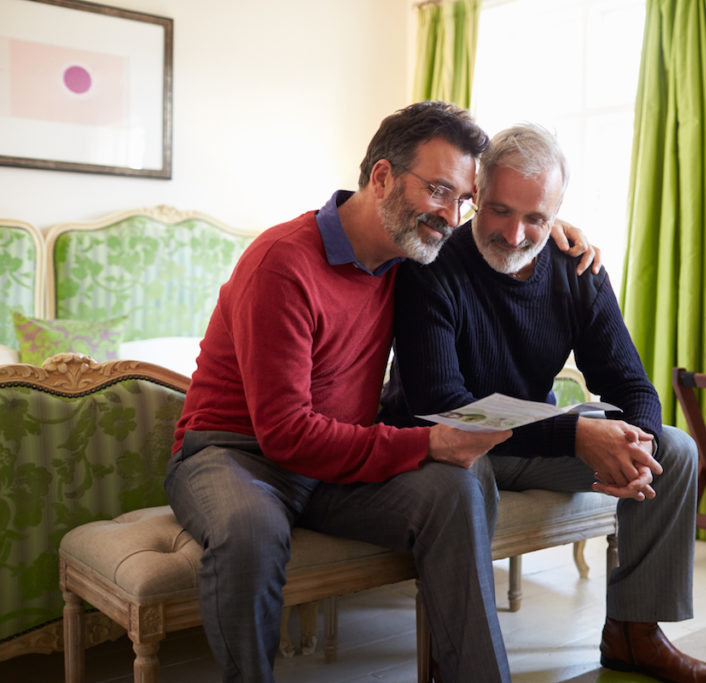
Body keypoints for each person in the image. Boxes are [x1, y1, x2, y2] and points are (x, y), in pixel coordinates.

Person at [164, 102, 596, 683]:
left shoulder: (409, 258)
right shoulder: (281, 263)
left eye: (461, 199)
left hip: (332, 463)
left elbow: (500, 236)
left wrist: (555, 231)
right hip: (233, 454)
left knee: (452, 490)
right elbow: (285, 433)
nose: (450, 216)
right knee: (251, 529)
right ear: (383, 177)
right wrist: (425, 445)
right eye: (439, 191)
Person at [379, 124, 706, 683]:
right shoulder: (432, 269)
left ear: (557, 212)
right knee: (460, 479)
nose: (516, 233)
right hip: (447, 445)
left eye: (536, 218)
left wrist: (634, 443)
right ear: (476, 195)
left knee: (677, 449)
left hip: (531, 437)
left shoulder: (576, 268)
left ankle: (634, 634)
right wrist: (574, 435)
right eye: (498, 210)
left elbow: (633, 386)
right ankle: (459, 663)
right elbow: (444, 406)